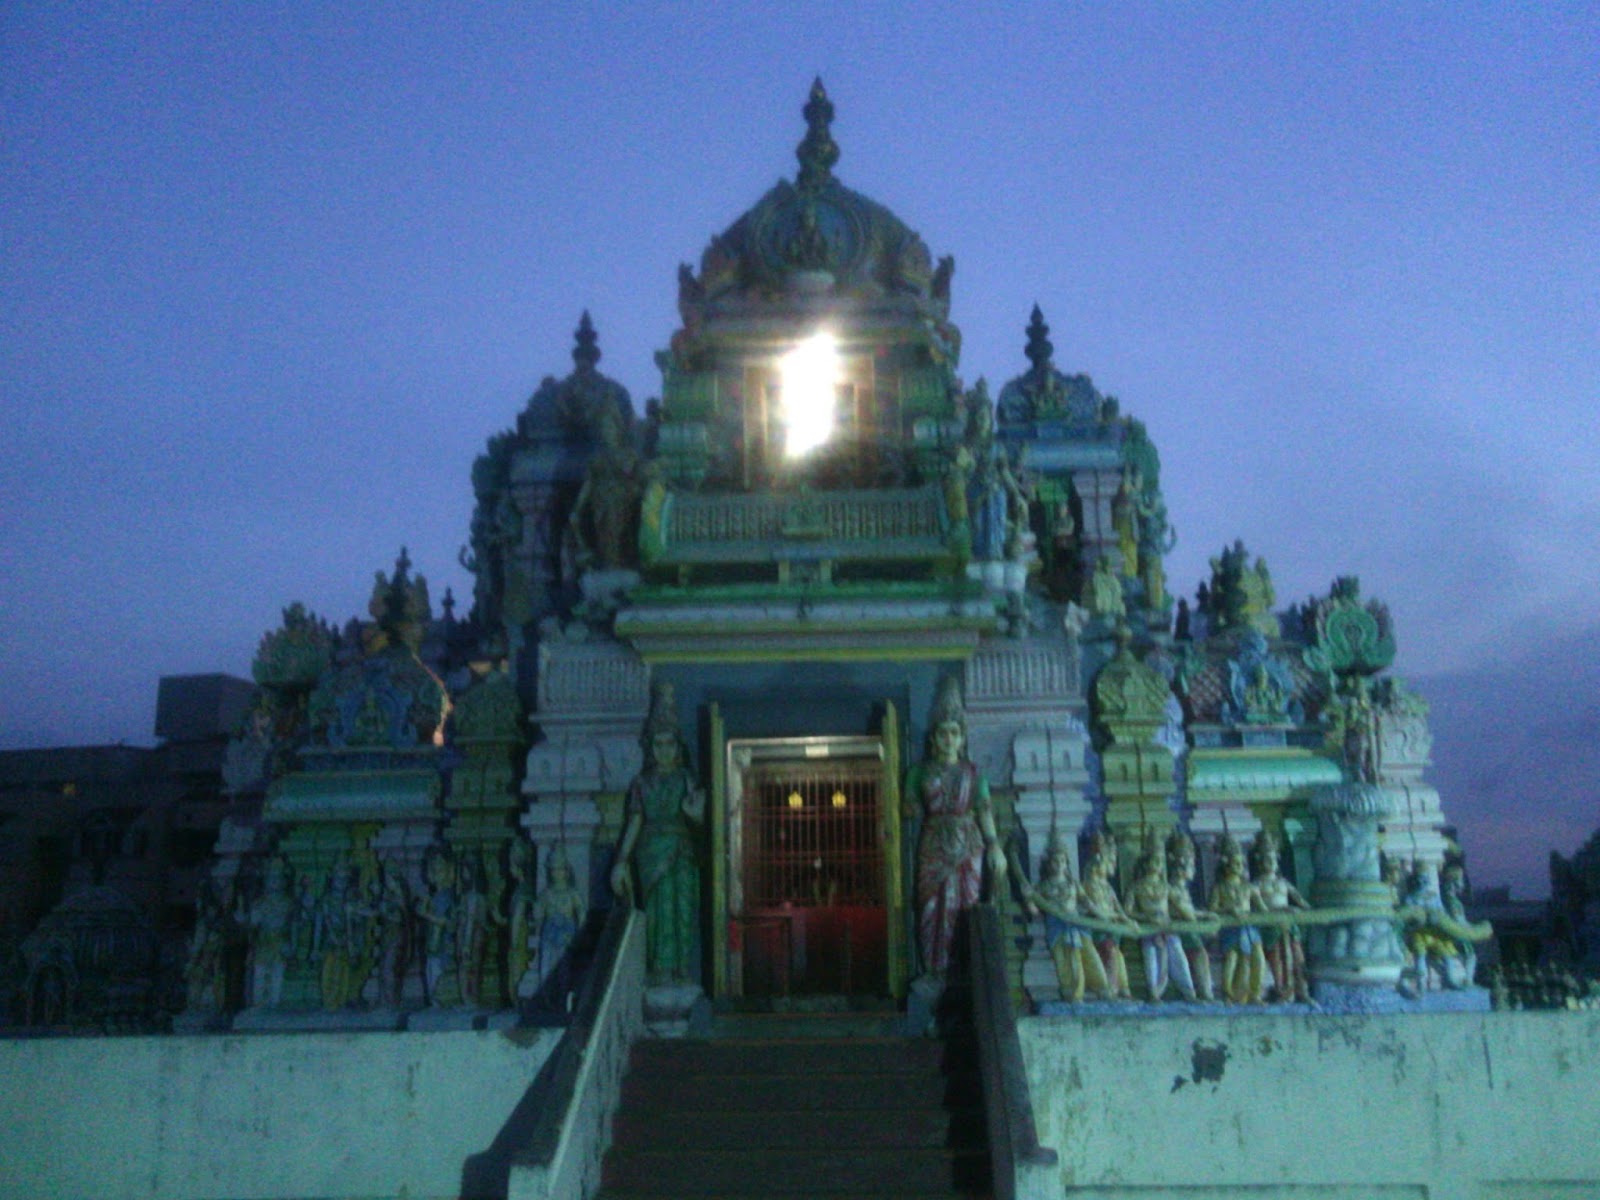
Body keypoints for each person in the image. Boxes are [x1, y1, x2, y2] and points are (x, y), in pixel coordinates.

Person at [904, 678, 1005, 978]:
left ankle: (964, 974)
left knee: (965, 908)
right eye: (943, 733)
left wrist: (995, 845)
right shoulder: (918, 772)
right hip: (933, 845)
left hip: (968, 846)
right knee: (930, 910)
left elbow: (984, 811)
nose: (949, 739)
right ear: (933, 738)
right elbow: (908, 808)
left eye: (954, 733)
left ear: (962, 739)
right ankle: (933, 974)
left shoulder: (974, 774)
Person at [613, 683, 705, 984]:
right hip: (651, 853)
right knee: (658, 912)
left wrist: (695, 813)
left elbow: (699, 816)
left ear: (678, 747)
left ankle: (680, 968)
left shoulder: (685, 778)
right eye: (659, 744)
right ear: (650, 748)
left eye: (670, 744)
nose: (665, 750)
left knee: (682, 909)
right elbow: (635, 822)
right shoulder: (642, 783)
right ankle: (659, 968)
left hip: (681, 849)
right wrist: (621, 860)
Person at [1019, 833, 1107, 1002]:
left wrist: (1101, 916)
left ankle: (1101, 988)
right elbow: (1035, 912)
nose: (1059, 865)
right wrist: (1028, 898)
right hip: (1057, 927)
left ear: (1067, 863)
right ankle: (1073, 993)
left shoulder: (1073, 884)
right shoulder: (1043, 887)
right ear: (1049, 864)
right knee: (1066, 960)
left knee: (1090, 955)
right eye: (1055, 861)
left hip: (1078, 924)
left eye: (1062, 861)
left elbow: (1087, 903)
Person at [1252, 832, 1310, 1002]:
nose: (1270, 864)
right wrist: (1281, 910)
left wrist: (1305, 909)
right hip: (1271, 927)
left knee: (1297, 958)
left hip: (1289, 925)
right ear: (1259, 861)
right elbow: (1259, 908)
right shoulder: (1256, 885)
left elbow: (1300, 901)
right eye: (1266, 859)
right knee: (1277, 959)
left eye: (1273, 859)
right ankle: (1281, 992)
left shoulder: (1283, 883)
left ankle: (1302, 990)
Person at [1210, 834, 1267, 1004]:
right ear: (1226, 865)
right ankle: (1228, 992)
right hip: (1231, 927)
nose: (1239, 867)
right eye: (1235, 863)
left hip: (1249, 928)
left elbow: (1262, 908)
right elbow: (1212, 908)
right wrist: (1229, 909)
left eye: (1241, 863)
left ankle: (1255, 992)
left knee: (1258, 957)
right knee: (1232, 958)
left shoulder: (1249, 887)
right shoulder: (1220, 887)